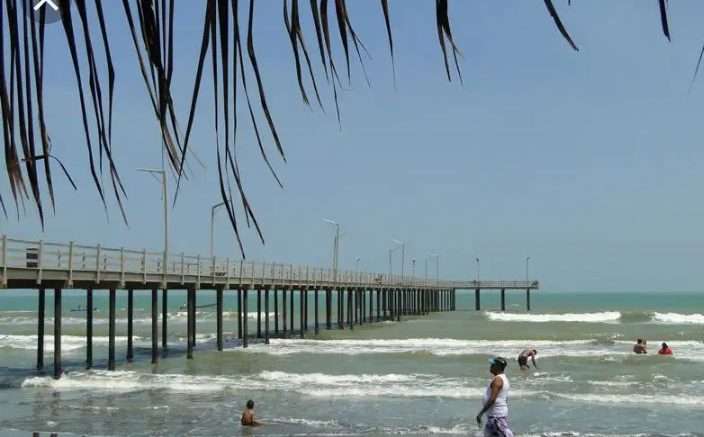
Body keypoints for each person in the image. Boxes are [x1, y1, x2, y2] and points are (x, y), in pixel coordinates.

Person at [476, 357, 514, 437]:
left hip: (496, 417)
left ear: (498, 367)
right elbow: (505, 398)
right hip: (494, 415)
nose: (490, 366)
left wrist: (480, 413)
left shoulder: (498, 380)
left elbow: (492, 399)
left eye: (492, 365)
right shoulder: (503, 378)